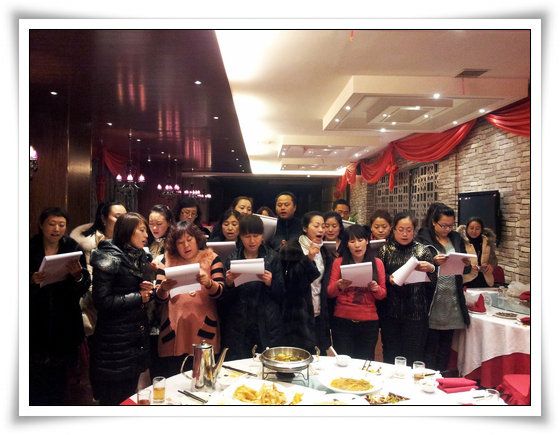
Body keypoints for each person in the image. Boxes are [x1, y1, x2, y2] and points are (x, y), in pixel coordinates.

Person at [89, 212, 155, 405]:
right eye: (141, 230)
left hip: (134, 337)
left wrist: (147, 288)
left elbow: (134, 287)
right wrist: (138, 296)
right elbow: (101, 300)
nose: (146, 235)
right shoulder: (109, 256)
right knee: (114, 398)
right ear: (127, 232)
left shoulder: (139, 255)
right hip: (114, 342)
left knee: (129, 394)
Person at [30, 207, 90, 405]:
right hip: (35, 320)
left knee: (61, 381)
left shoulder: (72, 248)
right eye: (51, 224)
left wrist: (77, 276)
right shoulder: (29, 248)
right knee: (35, 380)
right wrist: (31, 280)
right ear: (41, 225)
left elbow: (83, 285)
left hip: (65, 321)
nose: (56, 229)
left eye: (61, 225)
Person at [154, 221, 225, 378]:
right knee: (174, 376)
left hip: (204, 325)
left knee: (203, 377)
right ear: (174, 245)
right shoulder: (166, 260)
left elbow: (221, 292)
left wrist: (209, 283)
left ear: (197, 239)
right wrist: (163, 288)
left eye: (189, 239)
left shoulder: (212, 258)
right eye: (180, 242)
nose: (186, 245)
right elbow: (158, 298)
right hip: (175, 327)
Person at [416, 205, 471, 372]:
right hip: (433, 297)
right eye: (443, 225)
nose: (447, 229)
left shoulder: (456, 238)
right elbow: (416, 266)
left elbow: (465, 270)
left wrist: (466, 264)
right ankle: (428, 377)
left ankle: (442, 378)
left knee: (446, 346)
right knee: (430, 345)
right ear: (434, 222)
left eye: (450, 225)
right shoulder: (423, 239)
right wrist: (433, 261)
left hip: (452, 298)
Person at [221, 215, 284, 360]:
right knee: (239, 365)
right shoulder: (232, 259)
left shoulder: (273, 257)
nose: (252, 241)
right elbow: (224, 300)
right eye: (247, 236)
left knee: (266, 363)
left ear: (262, 236)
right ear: (240, 236)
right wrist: (229, 284)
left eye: (256, 236)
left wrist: (270, 283)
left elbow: (282, 294)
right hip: (239, 323)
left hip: (267, 322)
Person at [377, 212, 437, 365]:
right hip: (390, 311)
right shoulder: (384, 250)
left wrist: (431, 269)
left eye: (409, 230)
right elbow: (377, 276)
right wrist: (388, 278)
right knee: (391, 353)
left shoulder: (423, 251)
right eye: (401, 229)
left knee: (414, 354)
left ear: (414, 231)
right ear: (394, 230)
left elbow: (433, 283)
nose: (405, 234)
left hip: (416, 311)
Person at [327, 224, 387, 360]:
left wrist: (375, 288)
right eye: (352, 241)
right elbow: (330, 292)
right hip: (342, 320)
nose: (357, 245)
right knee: (343, 361)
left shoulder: (377, 263)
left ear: (367, 241)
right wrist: (339, 285)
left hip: (369, 321)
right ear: (347, 244)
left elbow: (383, 294)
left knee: (365, 362)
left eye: (360, 240)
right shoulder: (339, 262)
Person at [69, 201, 127, 336]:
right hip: (96, 307)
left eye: (125, 217)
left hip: (124, 307)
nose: (123, 221)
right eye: (118, 217)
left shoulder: (128, 242)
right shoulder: (89, 245)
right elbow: (89, 279)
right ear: (103, 219)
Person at [279, 211, 333, 354]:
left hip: (318, 310)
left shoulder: (325, 252)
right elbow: (291, 282)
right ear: (304, 228)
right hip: (297, 315)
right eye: (316, 226)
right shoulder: (291, 248)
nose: (321, 230)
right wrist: (308, 259)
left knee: (319, 356)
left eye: (323, 226)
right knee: (298, 356)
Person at [457, 217, 498, 288]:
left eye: (477, 229)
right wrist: (468, 267)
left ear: (481, 230)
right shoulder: (460, 242)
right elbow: (456, 262)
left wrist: (491, 266)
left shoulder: (487, 241)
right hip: (466, 280)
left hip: (485, 279)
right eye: (471, 228)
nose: (474, 231)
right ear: (467, 229)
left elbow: (494, 260)